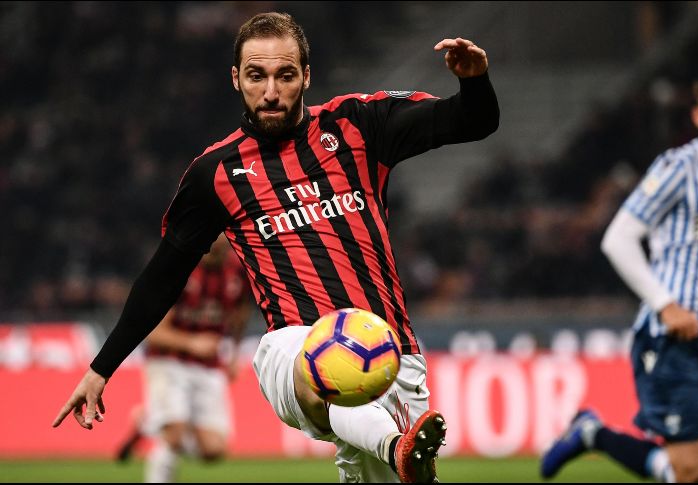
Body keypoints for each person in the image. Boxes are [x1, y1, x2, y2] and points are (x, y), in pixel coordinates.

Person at [52, 11, 499, 483]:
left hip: (392, 355)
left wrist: (475, 82)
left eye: (285, 75)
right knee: (313, 358)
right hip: (292, 345)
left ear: (307, 75)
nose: (270, 91)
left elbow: (473, 121)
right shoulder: (215, 174)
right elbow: (163, 277)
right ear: (235, 79)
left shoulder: (358, 126)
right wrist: (102, 368)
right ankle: (397, 443)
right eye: (256, 76)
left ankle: (397, 447)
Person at [541, 72, 698, 483]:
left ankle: (592, 433)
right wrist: (666, 305)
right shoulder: (678, 167)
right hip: (669, 340)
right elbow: (619, 239)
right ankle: (595, 434)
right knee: (690, 471)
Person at [113, 234, 251, 482]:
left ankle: (149, 422)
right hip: (169, 361)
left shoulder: (237, 272)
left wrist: (234, 353)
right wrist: (192, 343)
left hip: (209, 367)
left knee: (213, 450)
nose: (219, 242)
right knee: (174, 436)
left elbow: (241, 311)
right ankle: (162, 439)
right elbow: (153, 333)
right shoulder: (181, 271)